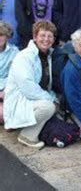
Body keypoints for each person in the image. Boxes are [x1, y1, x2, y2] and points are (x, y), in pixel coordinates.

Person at [3, 21, 57, 149]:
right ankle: (27, 136)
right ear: (34, 37)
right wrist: (51, 100)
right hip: (21, 100)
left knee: (56, 105)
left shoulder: (47, 55)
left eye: (50, 36)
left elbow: (46, 84)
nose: (46, 39)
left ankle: (29, 124)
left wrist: (55, 98)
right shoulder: (24, 57)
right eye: (42, 35)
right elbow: (27, 87)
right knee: (48, 107)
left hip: (33, 100)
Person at [0, 22, 19, 113]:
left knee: (2, 114)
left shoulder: (14, 52)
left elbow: (15, 76)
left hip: (6, 90)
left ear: (7, 36)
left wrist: (5, 90)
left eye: (1, 35)